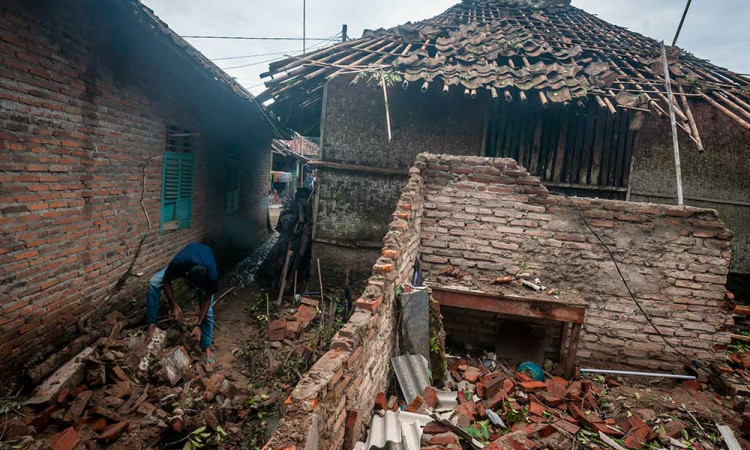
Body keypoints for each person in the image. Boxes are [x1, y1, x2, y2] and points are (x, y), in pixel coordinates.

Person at [146, 243, 219, 366]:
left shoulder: (212, 276)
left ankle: (206, 347)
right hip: (188, 260)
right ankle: (152, 324)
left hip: (205, 257)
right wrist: (174, 304)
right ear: (186, 275)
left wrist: (198, 325)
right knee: (153, 283)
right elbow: (166, 280)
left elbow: (206, 300)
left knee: (208, 313)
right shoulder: (179, 263)